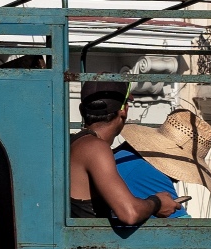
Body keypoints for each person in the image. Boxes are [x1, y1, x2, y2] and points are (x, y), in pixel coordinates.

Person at [69, 83, 180, 229]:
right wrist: (157, 202)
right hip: (87, 247)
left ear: (82, 110)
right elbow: (130, 213)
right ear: (124, 110)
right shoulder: (95, 148)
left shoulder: (75, 142)